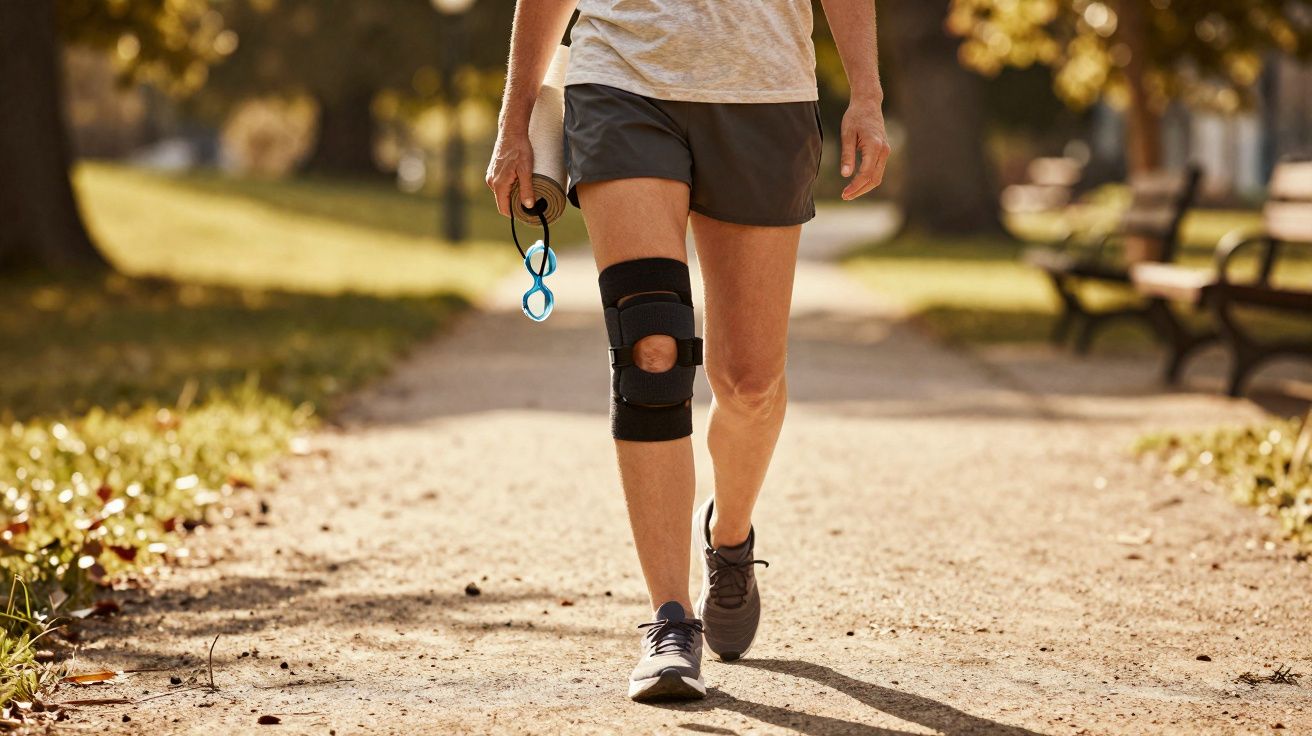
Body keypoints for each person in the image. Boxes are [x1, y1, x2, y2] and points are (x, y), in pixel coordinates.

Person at [487, 0, 890, 703]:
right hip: (622, 79)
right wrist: (515, 117)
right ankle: (670, 620)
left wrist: (868, 92)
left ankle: (729, 538)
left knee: (750, 383)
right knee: (651, 348)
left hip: (765, 88)